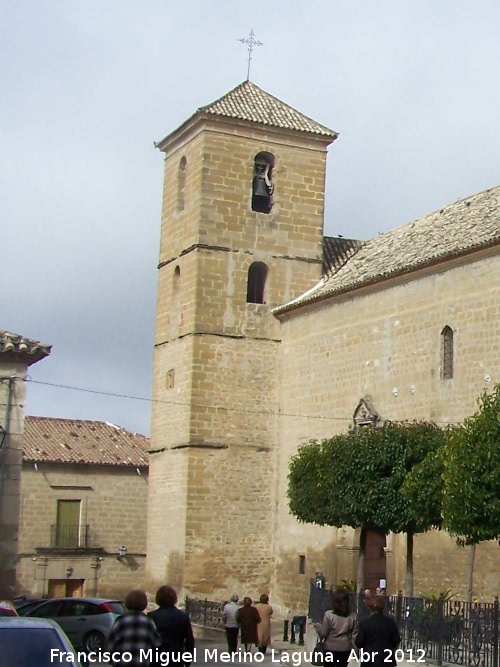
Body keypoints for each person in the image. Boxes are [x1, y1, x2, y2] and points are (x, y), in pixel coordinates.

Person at [105, 589, 161, 667]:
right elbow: (156, 644)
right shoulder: (149, 622)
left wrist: (112, 660)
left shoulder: (121, 621)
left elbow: (110, 645)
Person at [148, 585, 195, 665]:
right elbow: (189, 640)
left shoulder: (152, 616)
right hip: (176, 659)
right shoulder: (183, 616)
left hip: (157, 659)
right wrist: (187, 661)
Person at [314, 588, 357, 667]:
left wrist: (318, 627)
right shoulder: (352, 616)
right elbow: (354, 636)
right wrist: (356, 651)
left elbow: (323, 633)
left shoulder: (328, 615)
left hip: (330, 647)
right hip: (345, 648)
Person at [355, 596, 400, 667]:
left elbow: (359, 642)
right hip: (386, 657)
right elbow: (396, 640)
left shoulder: (366, 623)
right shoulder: (390, 622)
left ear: (370, 608)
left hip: (370, 657)